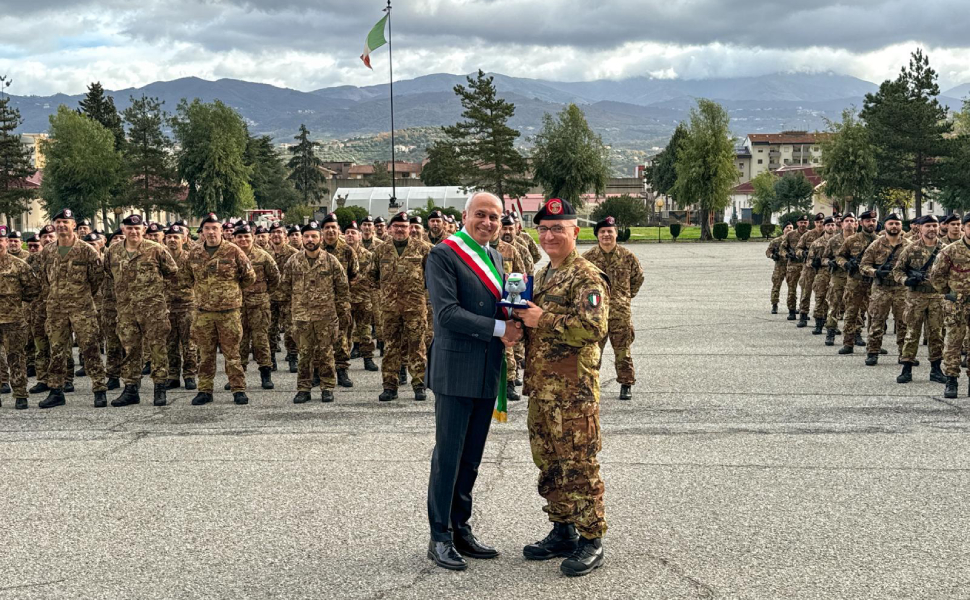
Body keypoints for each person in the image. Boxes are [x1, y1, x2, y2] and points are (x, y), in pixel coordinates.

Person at [513, 198, 609, 577]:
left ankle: (591, 539)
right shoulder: (543, 273)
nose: (550, 235)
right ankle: (562, 529)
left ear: (575, 232)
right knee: (550, 463)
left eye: (558, 229)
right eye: (545, 229)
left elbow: (594, 327)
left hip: (573, 393)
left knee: (579, 465)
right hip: (542, 390)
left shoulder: (586, 276)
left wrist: (542, 318)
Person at [425, 191, 521, 571]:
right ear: (464, 216)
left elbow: (501, 305)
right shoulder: (443, 255)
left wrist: (518, 319)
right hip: (455, 370)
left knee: (472, 458)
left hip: (486, 369)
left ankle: (461, 527)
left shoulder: (495, 255)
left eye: (495, 217)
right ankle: (439, 536)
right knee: (448, 456)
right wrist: (501, 328)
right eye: (481, 215)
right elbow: (447, 313)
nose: (488, 222)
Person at [103, 214, 179, 407]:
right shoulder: (113, 251)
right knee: (130, 349)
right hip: (126, 310)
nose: (133, 232)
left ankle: (160, 388)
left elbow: (172, 272)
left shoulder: (156, 250)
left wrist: (156, 295)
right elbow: (108, 273)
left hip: (153, 310)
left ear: (143, 230)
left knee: (157, 348)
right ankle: (131, 389)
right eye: (129, 228)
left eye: (137, 228)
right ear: (123, 229)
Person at [38, 209, 109, 409]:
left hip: (82, 308)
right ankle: (56, 391)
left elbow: (96, 278)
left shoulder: (87, 250)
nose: (61, 225)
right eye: (58, 221)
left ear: (73, 225)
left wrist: (82, 295)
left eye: (65, 222)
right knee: (58, 351)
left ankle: (99, 389)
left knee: (90, 348)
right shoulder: (48, 250)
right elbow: (44, 279)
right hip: (56, 309)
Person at [184, 213, 256, 406]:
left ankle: (238, 389)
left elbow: (249, 276)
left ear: (221, 231)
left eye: (214, 228)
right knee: (205, 354)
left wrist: (231, 291)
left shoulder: (233, 251)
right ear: (202, 232)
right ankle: (205, 390)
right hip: (203, 313)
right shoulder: (194, 253)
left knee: (232, 354)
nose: (211, 232)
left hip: (229, 312)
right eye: (207, 229)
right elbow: (185, 277)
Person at [277, 221, 350, 403]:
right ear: (302, 239)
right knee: (304, 355)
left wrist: (341, 315)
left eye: (314, 236)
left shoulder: (331, 261)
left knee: (326, 353)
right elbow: (284, 290)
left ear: (321, 238)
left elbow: (342, 290)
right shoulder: (293, 262)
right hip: (301, 317)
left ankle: (327, 387)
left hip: (325, 316)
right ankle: (304, 388)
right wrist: (287, 315)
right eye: (307, 236)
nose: (310, 240)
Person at [369, 211, 431, 401]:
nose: (400, 230)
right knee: (390, 348)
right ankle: (390, 386)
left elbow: (432, 277)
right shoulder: (381, 251)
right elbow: (372, 276)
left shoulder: (423, 249)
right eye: (396, 226)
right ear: (389, 229)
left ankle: (419, 385)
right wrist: (386, 293)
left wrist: (420, 293)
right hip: (389, 309)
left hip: (415, 308)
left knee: (417, 347)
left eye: (404, 226)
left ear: (409, 228)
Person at [583, 216, 644, 400]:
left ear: (616, 233)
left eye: (610, 231)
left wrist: (625, 297)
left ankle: (626, 384)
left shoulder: (627, 257)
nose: (606, 235)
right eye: (602, 232)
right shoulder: (588, 258)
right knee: (592, 351)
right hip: (595, 313)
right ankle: (589, 385)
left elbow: (638, 278)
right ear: (597, 235)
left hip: (620, 313)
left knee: (622, 350)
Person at [894, 215, 946, 384]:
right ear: (920, 228)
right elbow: (898, 270)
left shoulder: (946, 249)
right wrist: (906, 280)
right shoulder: (911, 249)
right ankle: (906, 368)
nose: (932, 229)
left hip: (937, 297)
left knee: (936, 334)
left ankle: (936, 369)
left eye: (934, 225)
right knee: (912, 333)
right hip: (915, 297)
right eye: (928, 226)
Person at [231, 224, 280, 391]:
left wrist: (264, 294)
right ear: (234, 239)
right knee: (239, 342)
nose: (243, 240)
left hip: (259, 306)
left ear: (252, 237)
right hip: (237, 306)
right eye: (239, 237)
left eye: (246, 237)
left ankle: (265, 375)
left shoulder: (263, 256)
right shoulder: (230, 256)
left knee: (261, 341)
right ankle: (238, 376)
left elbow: (275, 278)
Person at [859, 213, 908, 365]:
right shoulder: (876, 245)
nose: (894, 226)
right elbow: (863, 266)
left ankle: (905, 354)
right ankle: (873, 352)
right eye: (891, 223)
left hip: (901, 289)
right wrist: (875, 272)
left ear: (901, 226)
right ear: (885, 225)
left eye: (897, 223)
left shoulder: (909, 245)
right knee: (877, 321)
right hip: (881, 289)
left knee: (904, 323)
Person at [930, 213, 970, 398]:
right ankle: (951, 380)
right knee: (953, 343)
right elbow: (936, 276)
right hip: (957, 305)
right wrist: (950, 293)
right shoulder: (951, 250)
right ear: (964, 228)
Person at [0, 225, 40, 410]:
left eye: (1, 241)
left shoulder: (19, 265)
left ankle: (20, 394)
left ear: (6, 242)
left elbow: (33, 289)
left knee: (16, 357)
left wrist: (15, 300)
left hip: (13, 319)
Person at [321, 212, 359, 389]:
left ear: (339, 230)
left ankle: (342, 371)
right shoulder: (315, 248)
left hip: (340, 303)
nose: (330, 231)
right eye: (327, 228)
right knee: (318, 339)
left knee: (342, 338)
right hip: (318, 303)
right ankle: (319, 373)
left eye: (333, 228)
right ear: (322, 231)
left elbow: (354, 276)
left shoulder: (347, 251)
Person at [836, 210, 878, 354]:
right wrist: (846, 264)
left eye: (873, 221)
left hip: (874, 283)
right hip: (855, 281)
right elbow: (840, 257)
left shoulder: (880, 241)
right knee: (851, 312)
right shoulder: (852, 240)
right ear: (861, 223)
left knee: (875, 315)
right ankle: (848, 343)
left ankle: (874, 344)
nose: (871, 223)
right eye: (868, 221)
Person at [163, 224, 198, 390]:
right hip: (167, 306)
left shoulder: (190, 258)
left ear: (183, 239)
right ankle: (173, 375)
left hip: (187, 306)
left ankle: (190, 374)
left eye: (176, 237)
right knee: (170, 343)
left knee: (189, 343)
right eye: (169, 237)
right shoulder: (161, 257)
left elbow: (198, 279)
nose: (172, 240)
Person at [344, 222, 379, 372]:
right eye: (348, 232)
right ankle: (342, 364)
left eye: (353, 232)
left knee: (365, 330)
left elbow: (375, 277)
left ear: (359, 236)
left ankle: (368, 358)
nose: (350, 235)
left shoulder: (369, 256)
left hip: (363, 298)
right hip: (344, 300)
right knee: (344, 332)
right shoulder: (339, 255)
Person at [269, 223, 299, 372]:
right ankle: (271, 359)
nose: (276, 235)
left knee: (291, 330)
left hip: (288, 298)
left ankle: (293, 358)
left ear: (285, 236)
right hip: (270, 298)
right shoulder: (265, 254)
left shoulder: (294, 254)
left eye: (279, 232)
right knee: (269, 329)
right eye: (273, 232)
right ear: (270, 236)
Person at [807, 217, 838, 334]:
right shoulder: (817, 243)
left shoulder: (841, 242)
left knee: (835, 301)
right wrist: (816, 263)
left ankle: (832, 325)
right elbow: (809, 261)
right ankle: (819, 323)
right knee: (820, 299)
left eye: (833, 225)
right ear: (824, 227)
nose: (831, 227)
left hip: (836, 274)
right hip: (822, 274)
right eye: (828, 225)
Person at [794, 213, 826, 327]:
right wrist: (803, 253)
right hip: (809, 268)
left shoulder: (830, 236)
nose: (820, 225)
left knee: (823, 294)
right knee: (805, 293)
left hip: (823, 269)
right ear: (814, 223)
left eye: (822, 222)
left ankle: (822, 317)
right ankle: (803, 315)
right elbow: (798, 249)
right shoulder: (808, 235)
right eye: (818, 222)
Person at [780, 215, 809, 320]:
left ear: (808, 223)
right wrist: (787, 254)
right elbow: (782, 248)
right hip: (793, 265)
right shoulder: (791, 235)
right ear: (797, 223)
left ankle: (803, 311)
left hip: (806, 266)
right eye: (801, 222)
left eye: (805, 222)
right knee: (792, 290)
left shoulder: (810, 235)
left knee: (805, 290)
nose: (803, 224)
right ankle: (791, 310)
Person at [766, 222, 793, 313]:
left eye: (791, 227)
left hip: (791, 266)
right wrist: (773, 255)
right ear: (783, 229)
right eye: (787, 227)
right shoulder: (776, 241)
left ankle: (792, 306)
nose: (789, 229)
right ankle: (774, 304)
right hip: (780, 266)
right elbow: (768, 252)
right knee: (776, 286)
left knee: (792, 287)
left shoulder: (795, 240)